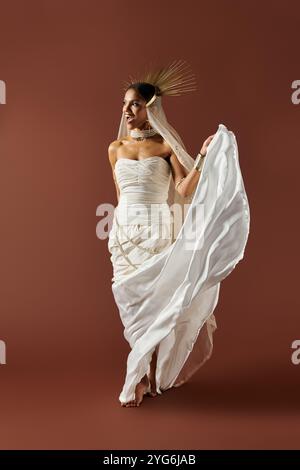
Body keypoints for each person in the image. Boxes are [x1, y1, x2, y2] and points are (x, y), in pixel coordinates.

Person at [107, 60, 250, 407]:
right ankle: (142, 373)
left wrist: (201, 157)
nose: (127, 110)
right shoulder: (115, 149)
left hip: (159, 229)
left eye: (135, 104)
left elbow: (184, 189)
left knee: (158, 305)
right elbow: (119, 195)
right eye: (125, 104)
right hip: (125, 233)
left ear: (150, 108)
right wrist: (119, 229)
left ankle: (146, 378)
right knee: (132, 305)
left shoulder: (165, 146)